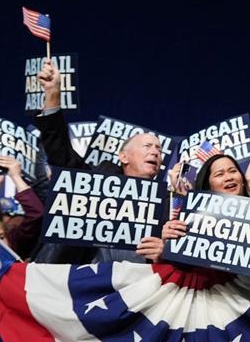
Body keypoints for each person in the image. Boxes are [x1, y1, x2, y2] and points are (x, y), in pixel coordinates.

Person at [34, 58, 164, 263]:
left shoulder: (165, 202)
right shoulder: (96, 179)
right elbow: (61, 153)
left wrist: (164, 252)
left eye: (159, 148)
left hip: (140, 287)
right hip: (81, 281)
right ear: (123, 157)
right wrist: (53, 96)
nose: (155, 152)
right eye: (147, 146)